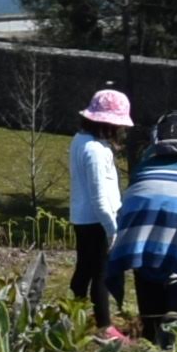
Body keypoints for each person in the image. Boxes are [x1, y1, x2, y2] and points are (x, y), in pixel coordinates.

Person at [105, 112, 177, 340]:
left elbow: (137, 177)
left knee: (144, 256)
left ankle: (151, 328)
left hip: (141, 201)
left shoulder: (151, 150)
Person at [65, 87, 134, 333]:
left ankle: (75, 314)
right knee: (101, 273)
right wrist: (112, 229)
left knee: (84, 268)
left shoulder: (80, 140)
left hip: (83, 217)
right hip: (98, 220)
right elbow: (99, 197)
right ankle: (105, 326)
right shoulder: (94, 150)